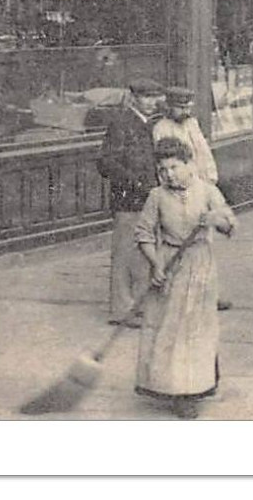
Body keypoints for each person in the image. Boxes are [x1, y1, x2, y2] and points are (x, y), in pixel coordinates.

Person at [134, 137, 236, 418]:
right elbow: (143, 233)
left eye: (174, 167)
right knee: (168, 326)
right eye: (163, 169)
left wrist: (216, 219)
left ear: (190, 164)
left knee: (194, 328)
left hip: (200, 263)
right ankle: (168, 385)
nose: (168, 174)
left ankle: (190, 391)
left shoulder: (208, 192)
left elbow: (230, 224)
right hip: (168, 264)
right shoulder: (157, 196)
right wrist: (155, 265)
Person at [97, 79, 165, 325]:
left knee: (144, 253)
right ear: (134, 98)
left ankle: (140, 305)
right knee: (126, 254)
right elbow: (106, 162)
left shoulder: (151, 124)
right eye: (146, 97)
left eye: (155, 97)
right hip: (128, 199)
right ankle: (122, 310)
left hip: (149, 197)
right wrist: (134, 182)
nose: (151, 102)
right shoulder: (121, 124)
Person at [153, 87, 217, 187]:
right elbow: (163, 164)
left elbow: (204, 152)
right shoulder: (161, 129)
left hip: (201, 183)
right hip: (180, 185)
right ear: (170, 107)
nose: (186, 112)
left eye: (188, 108)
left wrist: (211, 179)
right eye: (181, 108)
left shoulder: (191, 123)